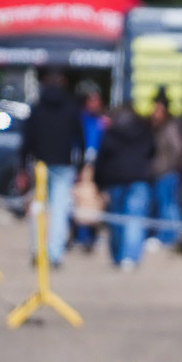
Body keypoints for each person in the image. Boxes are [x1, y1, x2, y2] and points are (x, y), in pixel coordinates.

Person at [19, 71, 87, 267]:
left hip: (40, 164)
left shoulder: (37, 107)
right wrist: (81, 165)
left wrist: (23, 165)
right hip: (64, 164)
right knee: (59, 212)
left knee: (38, 209)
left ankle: (38, 250)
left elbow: (27, 140)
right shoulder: (71, 107)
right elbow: (80, 139)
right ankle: (55, 253)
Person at [93, 102, 155, 270]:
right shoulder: (145, 130)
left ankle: (119, 256)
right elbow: (152, 152)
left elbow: (102, 158)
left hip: (115, 179)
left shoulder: (111, 132)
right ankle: (130, 257)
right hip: (139, 178)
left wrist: (98, 182)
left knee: (117, 220)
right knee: (134, 218)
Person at [147, 89, 182, 249]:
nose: (154, 113)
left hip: (167, 173)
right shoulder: (159, 128)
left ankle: (168, 237)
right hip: (161, 172)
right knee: (167, 204)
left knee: (168, 205)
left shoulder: (170, 127)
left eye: (158, 110)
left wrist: (170, 165)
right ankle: (170, 236)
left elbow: (178, 148)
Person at [74, 82, 109, 254]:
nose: (95, 103)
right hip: (84, 165)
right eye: (91, 100)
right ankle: (81, 236)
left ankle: (91, 236)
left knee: (95, 202)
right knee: (82, 201)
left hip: (98, 165)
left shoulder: (103, 121)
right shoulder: (80, 119)